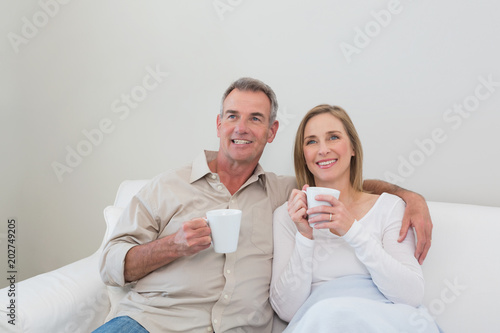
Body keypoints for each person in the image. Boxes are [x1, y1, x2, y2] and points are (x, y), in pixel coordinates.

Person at [96, 79, 433, 333]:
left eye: (255, 119)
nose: (241, 128)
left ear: (271, 132)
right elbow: (110, 265)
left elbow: (337, 180)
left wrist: (409, 197)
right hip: (153, 323)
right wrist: (173, 246)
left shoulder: (284, 193)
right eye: (232, 116)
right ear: (219, 124)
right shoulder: (167, 186)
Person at [270, 105, 440, 332]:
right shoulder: (288, 215)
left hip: (383, 320)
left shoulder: (389, 208)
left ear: (352, 148)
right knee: (327, 313)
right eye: (311, 141)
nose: (323, 149)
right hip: (321, 322)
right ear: (304, 155)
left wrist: (352, 230)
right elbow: (287, 311)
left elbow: (411, 295)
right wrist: (305, 236)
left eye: (333, 137)